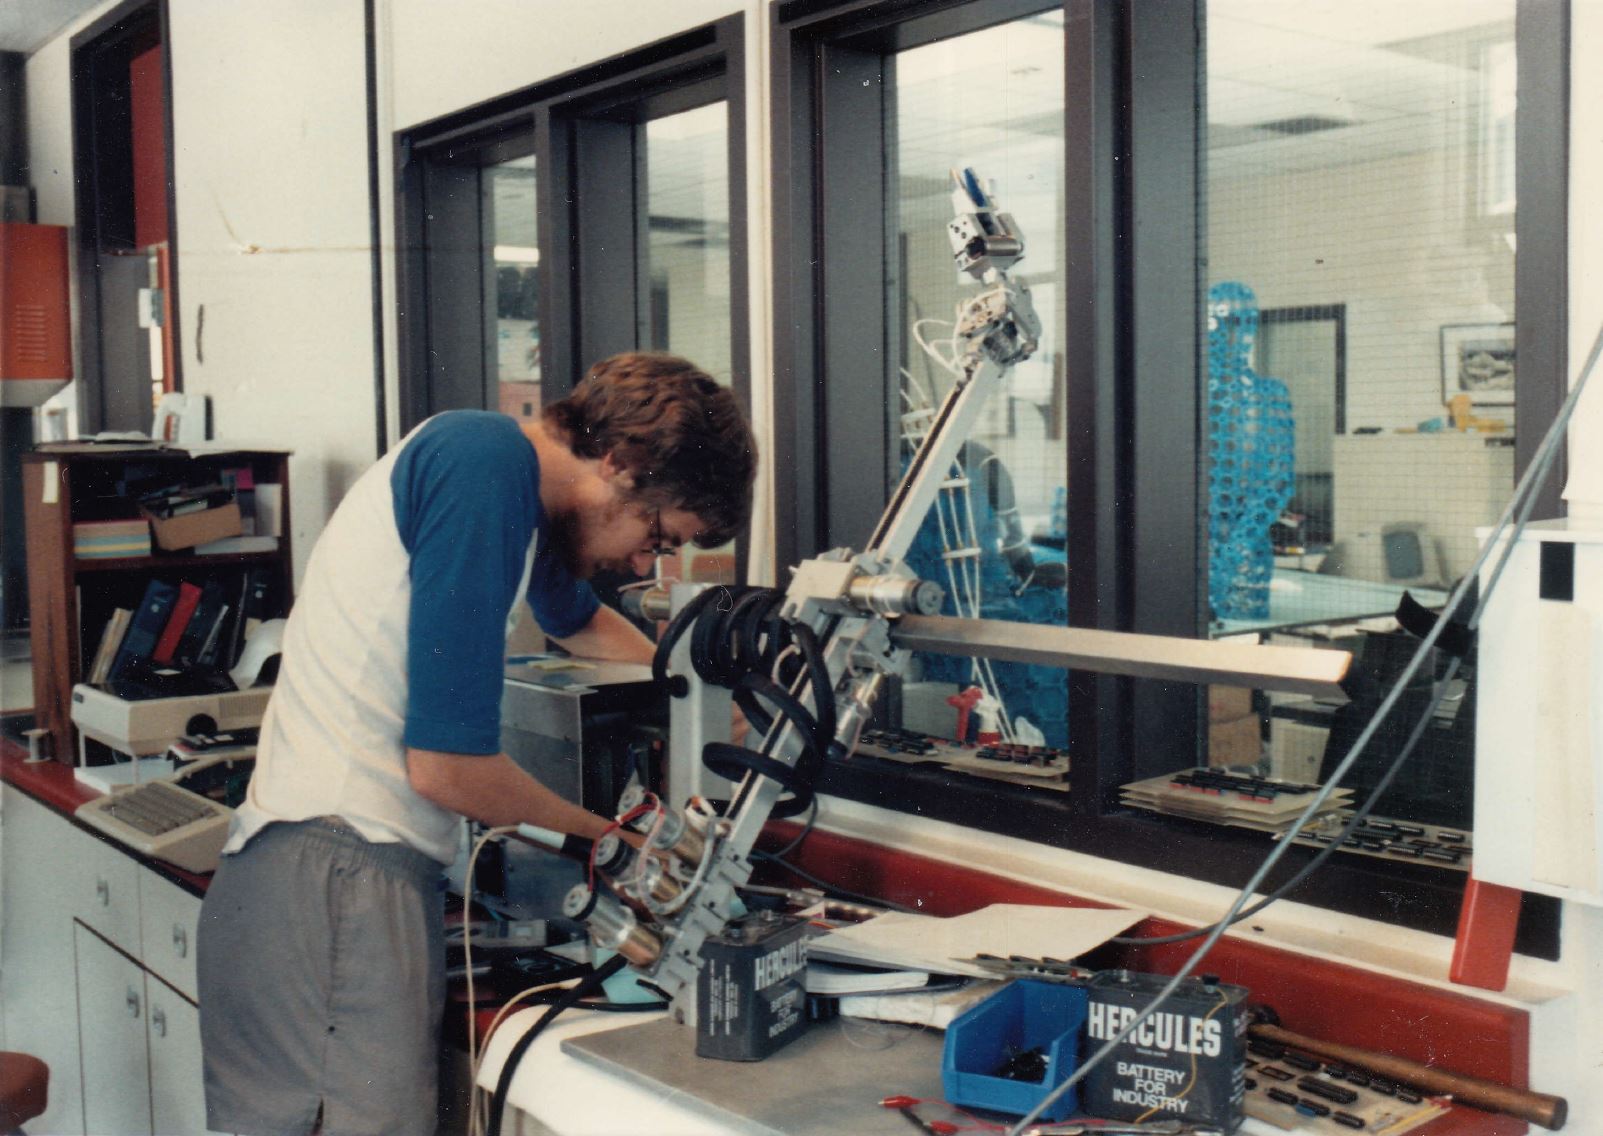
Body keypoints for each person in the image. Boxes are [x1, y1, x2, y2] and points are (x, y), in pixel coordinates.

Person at [196, 352, 757, 1136]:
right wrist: (621, 846)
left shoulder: (505, 482)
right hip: (339, 878)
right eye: (657, 536)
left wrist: (698, 690)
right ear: (620, 462)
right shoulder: (484, 464)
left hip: (319, 874)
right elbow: (448, 767)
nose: (641, 563)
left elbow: (574, 621)